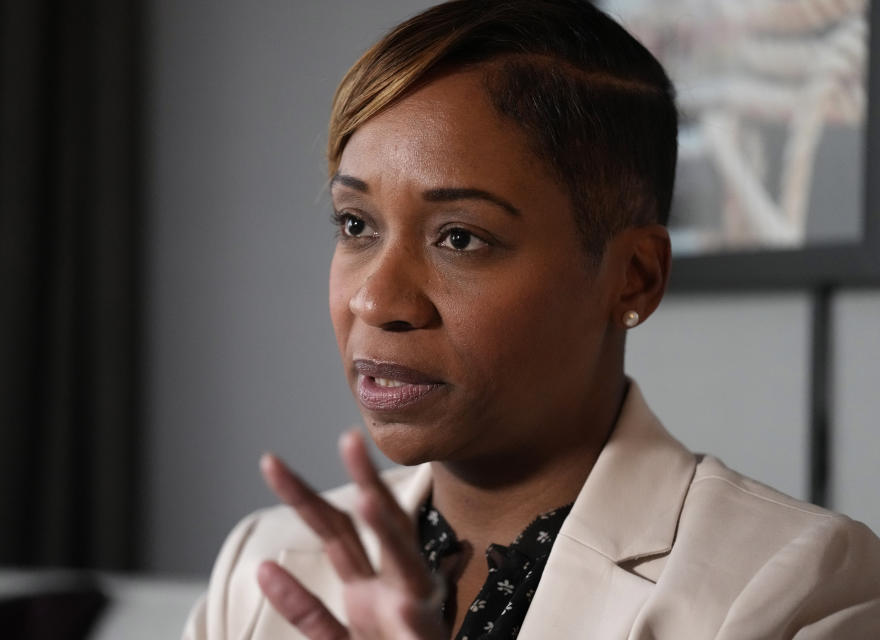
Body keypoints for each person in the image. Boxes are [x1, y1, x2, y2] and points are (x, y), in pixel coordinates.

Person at [183, 1, 880, 638]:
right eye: (356, 224)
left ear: (635, 277)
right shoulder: (264, 571)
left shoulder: (802, 587)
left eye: (460, 238)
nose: (375, 300)